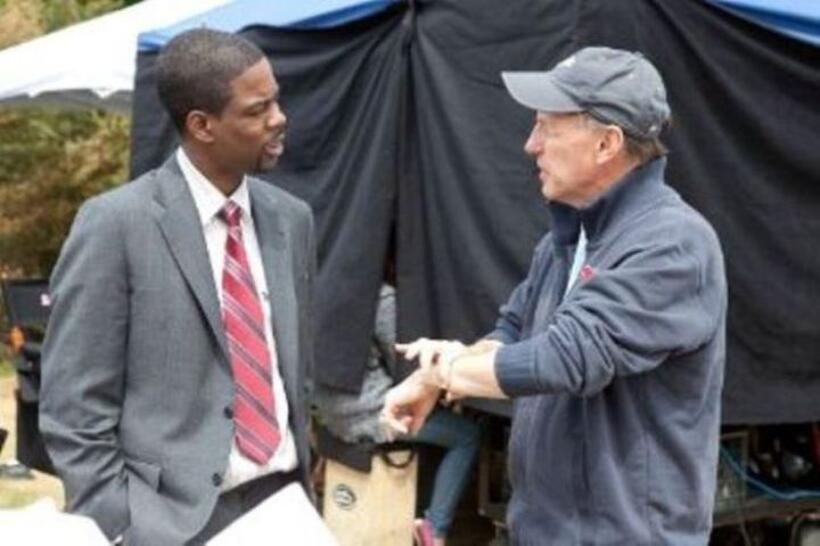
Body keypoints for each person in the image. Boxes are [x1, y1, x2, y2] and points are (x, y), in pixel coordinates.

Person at [382, 46, 727, 545]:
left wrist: (446, 370)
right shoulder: (564, 241)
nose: (530, 145)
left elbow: (566, 357)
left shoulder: (673, 244)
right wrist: (434, 381)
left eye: (547, 127)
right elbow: (513, 333)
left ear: (607, 144)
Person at [39, 29, 315, 545]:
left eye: (276, 100)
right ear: (202, 125)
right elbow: (73, 409)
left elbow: (294, 370)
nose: (279, 119)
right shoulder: (115, 225)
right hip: (172, 524)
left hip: (285, 507)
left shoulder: (291, 220)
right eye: (257, 110)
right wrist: (124, 524)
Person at [314, 284, 480, 546]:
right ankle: (435, 531)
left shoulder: (319, 289)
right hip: (379, 415)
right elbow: (405, 366)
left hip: (331, 418)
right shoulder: (380, 296)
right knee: (468, 436)